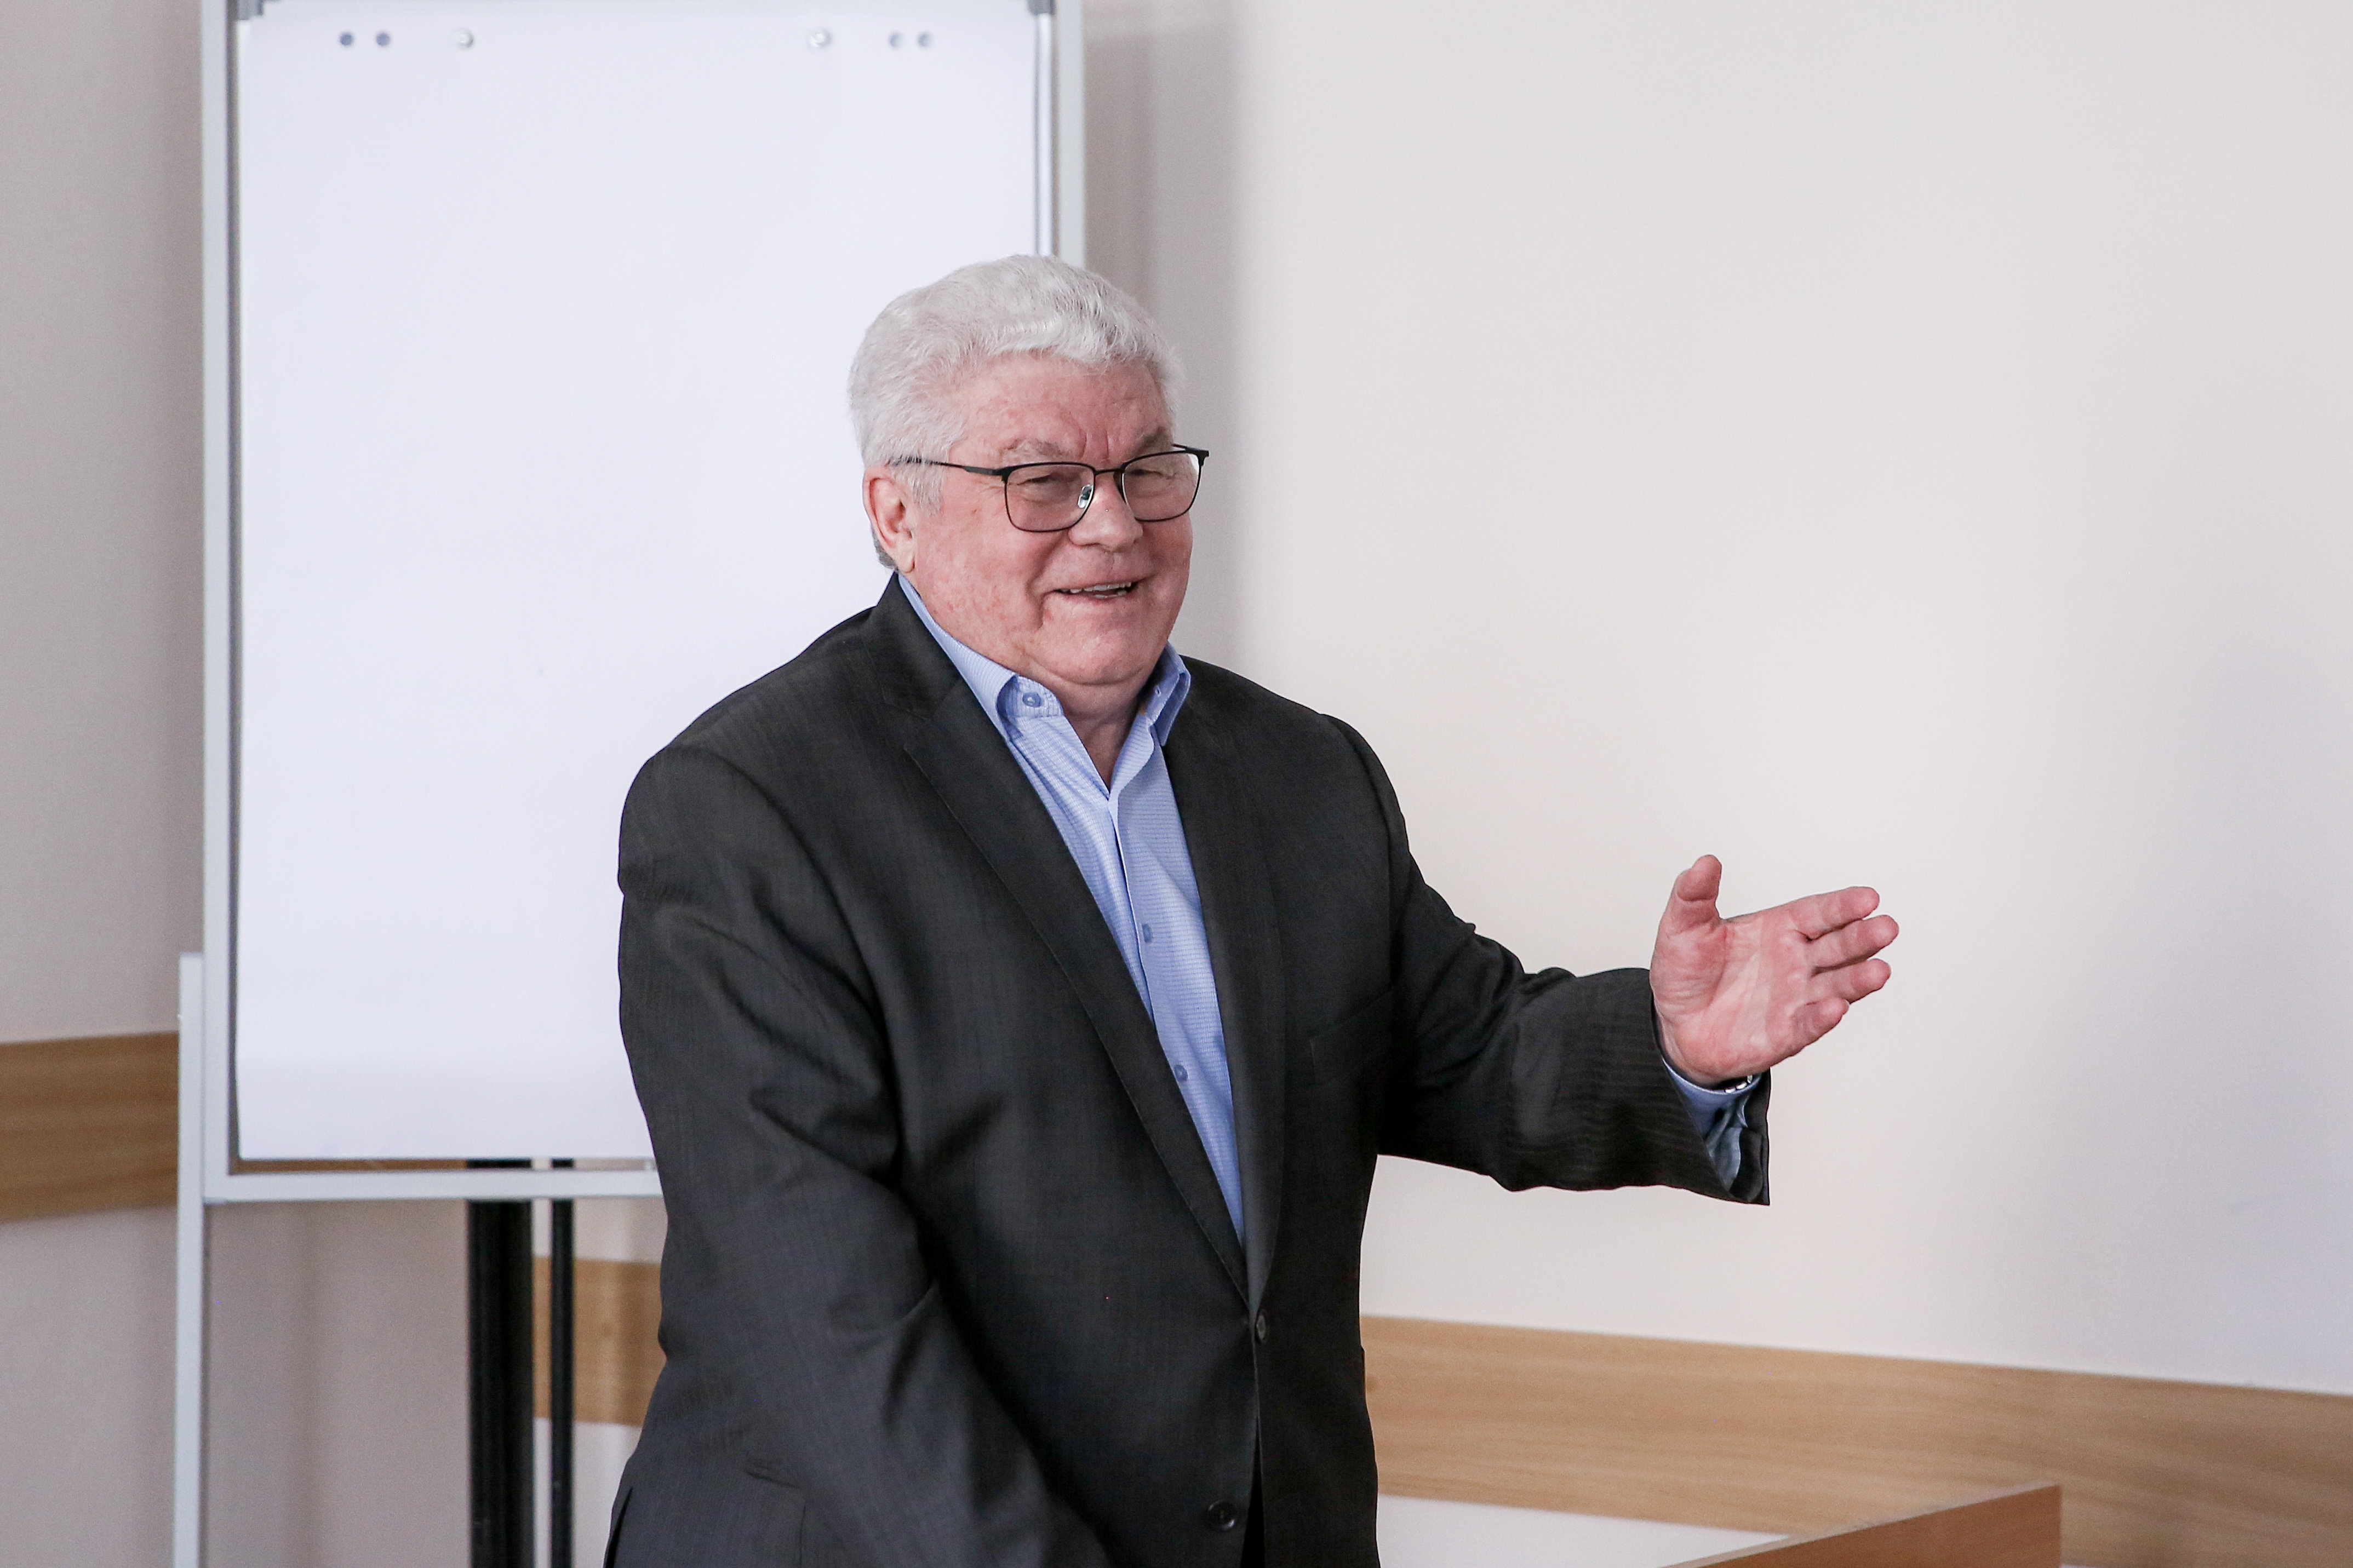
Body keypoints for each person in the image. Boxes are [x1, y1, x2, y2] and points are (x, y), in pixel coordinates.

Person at [609, 255, 1896, 1568]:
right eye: (1045, 482)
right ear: (898, 512)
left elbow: (1469, 1054)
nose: (1114, 527)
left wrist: (1676, 1044)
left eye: (1147, 470)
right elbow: (823, 1322)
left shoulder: (1300, 772)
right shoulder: (750, 808)